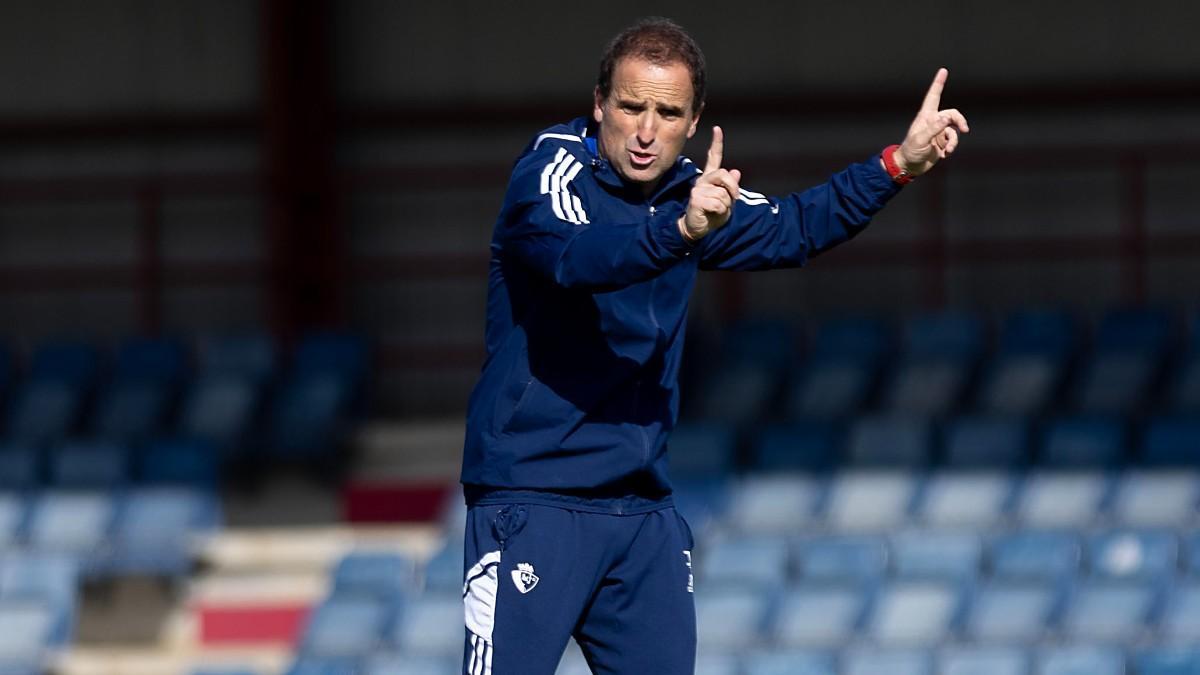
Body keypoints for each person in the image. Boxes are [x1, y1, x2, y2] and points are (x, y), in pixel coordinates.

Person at [458, 16, 968, 675]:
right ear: (598, 104)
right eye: (631, 106)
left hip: (641, 510)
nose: (646, 131)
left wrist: (896, 164)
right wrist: (681, 230)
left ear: (693, 121)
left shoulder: (690, 193)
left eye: (667, 113)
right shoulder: (550, 174)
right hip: (532, 499)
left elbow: (794, 228)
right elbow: (582, 258)